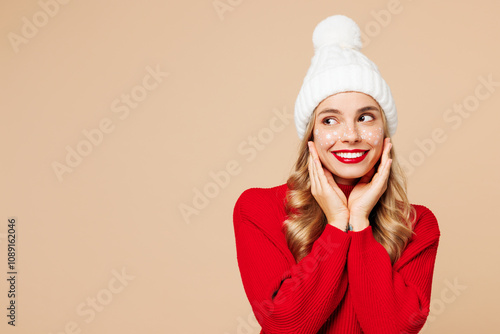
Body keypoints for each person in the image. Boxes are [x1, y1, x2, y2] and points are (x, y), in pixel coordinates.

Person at [232, 14, 441, 334]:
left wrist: (357, 221)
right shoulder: (259, 208)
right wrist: (334, 225)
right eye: (330, 120)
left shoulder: (416, 224)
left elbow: (393, 329)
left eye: (366, 117)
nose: (351, 135)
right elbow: (283, 324)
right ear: (311, 134)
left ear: (384, 130)